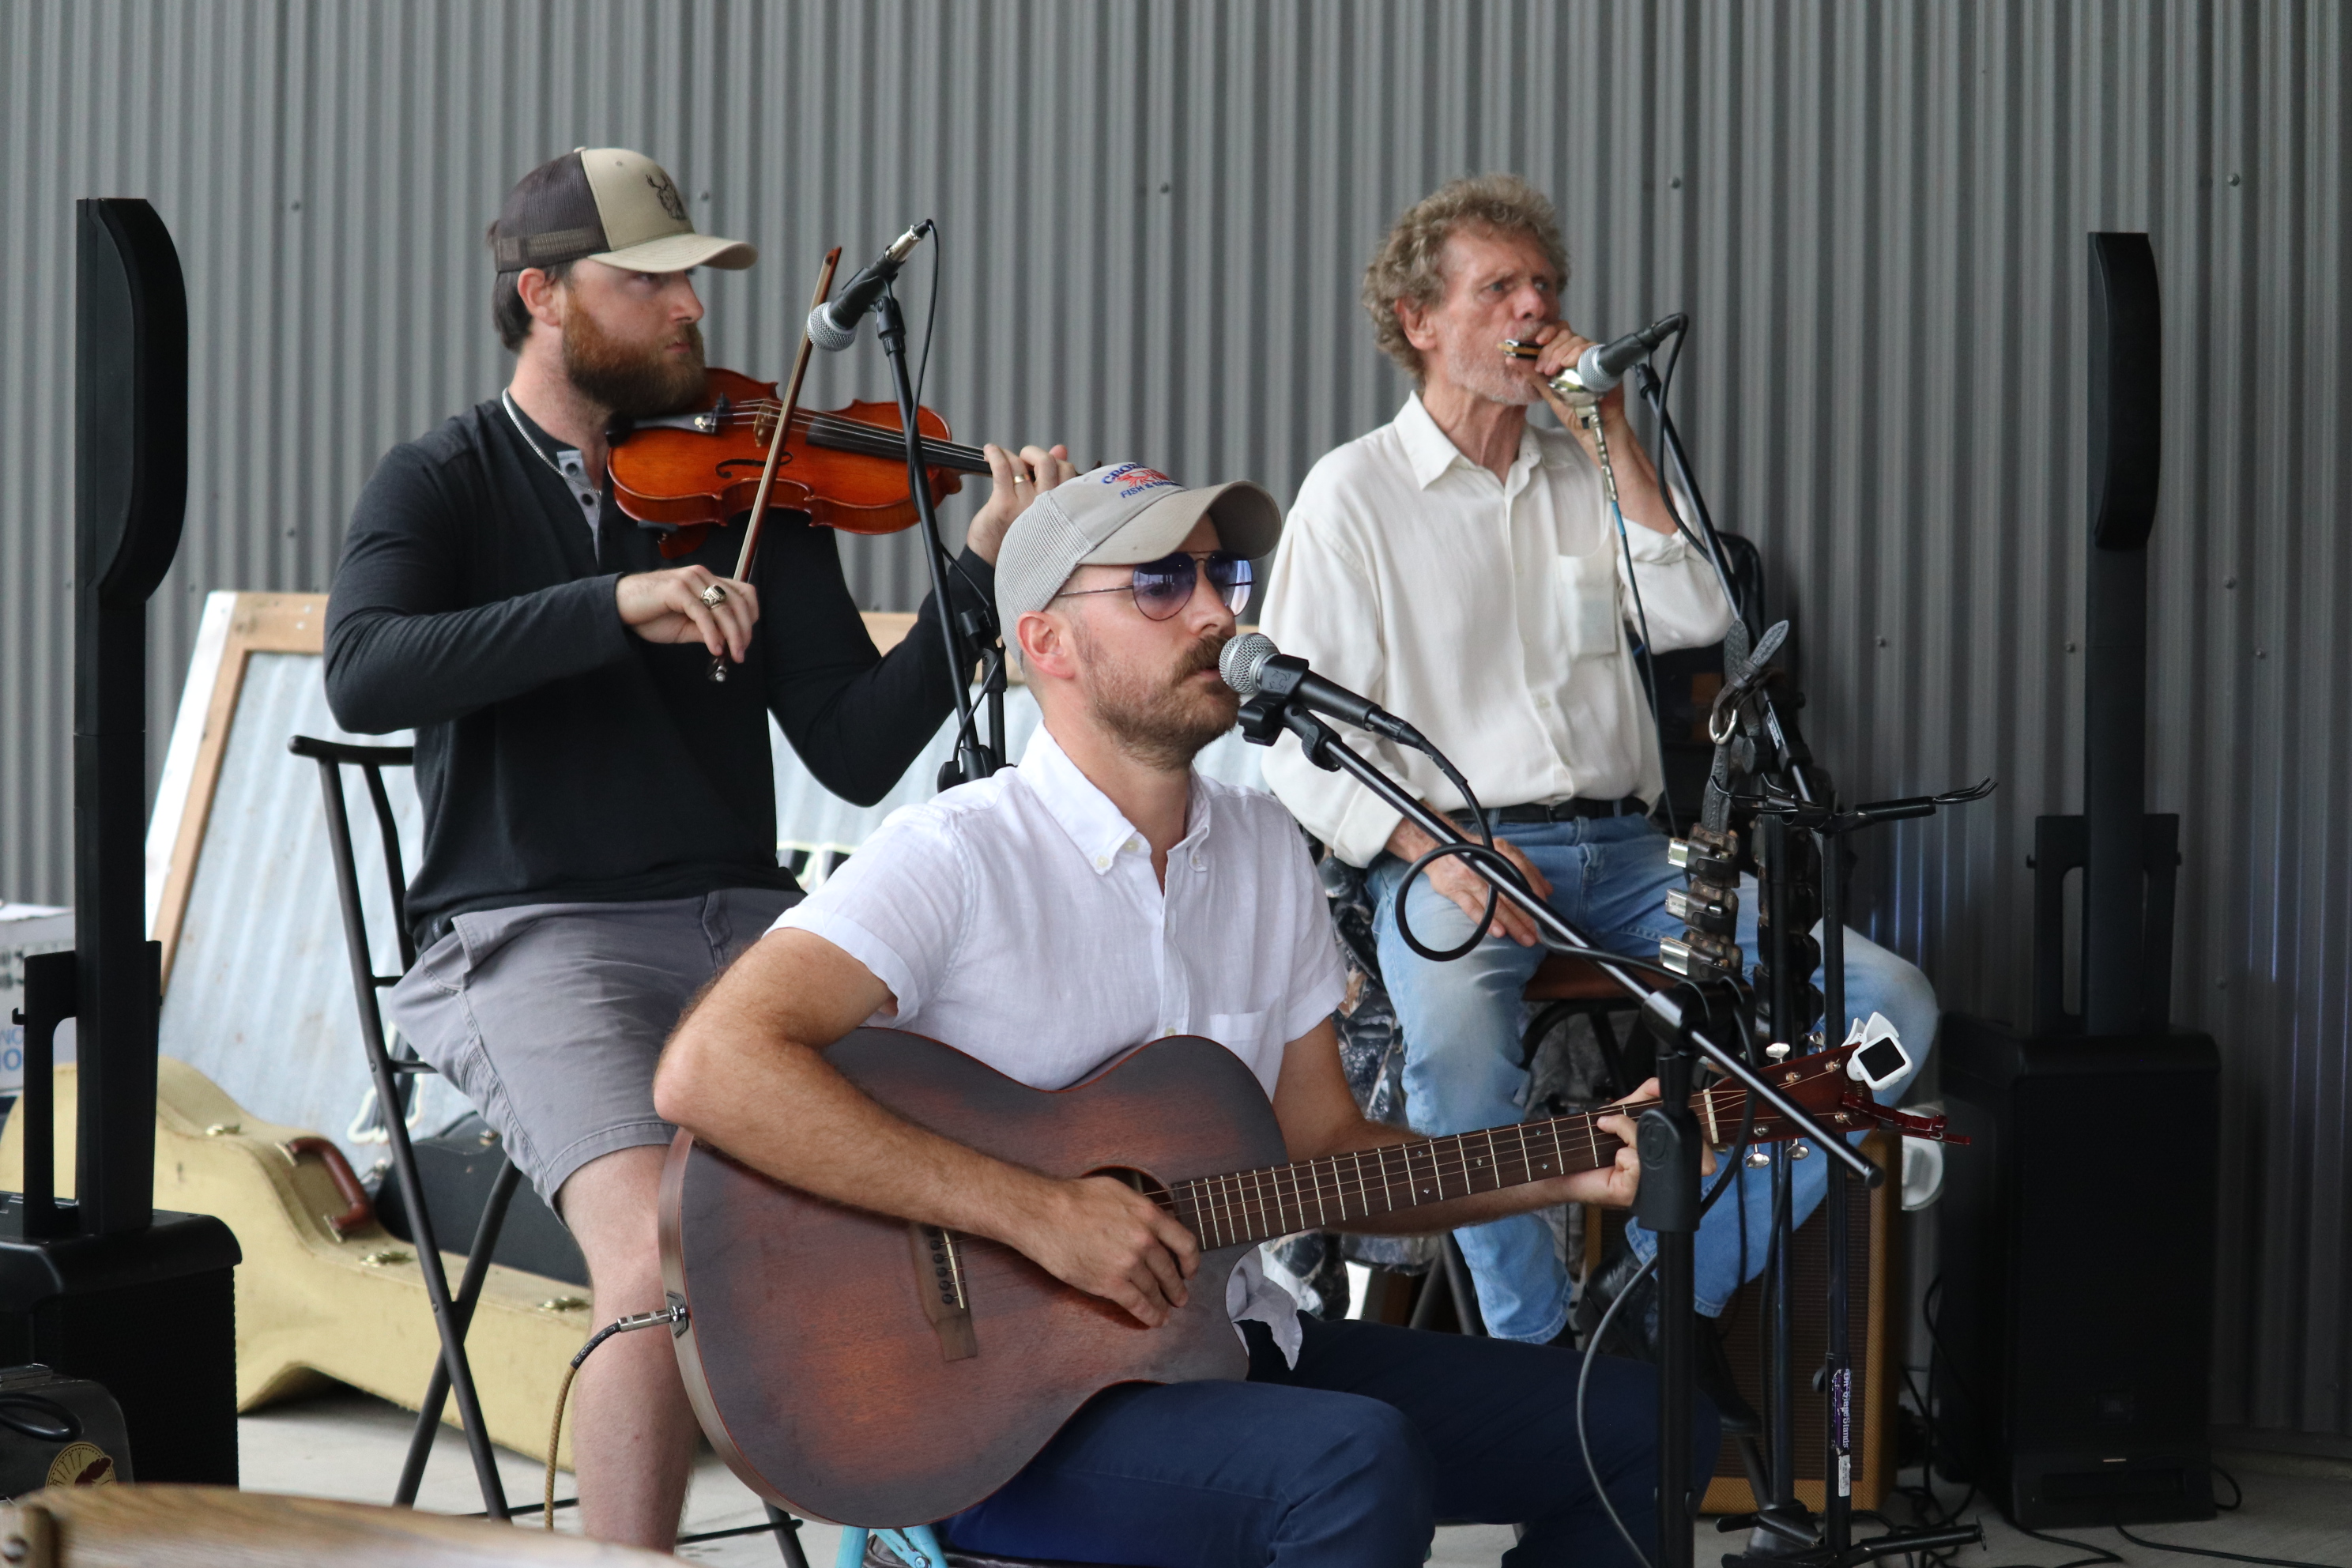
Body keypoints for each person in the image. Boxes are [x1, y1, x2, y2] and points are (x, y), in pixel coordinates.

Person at [654, 464, 1721, 1566]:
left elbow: (1327, 1148)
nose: (1217, 612)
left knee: (1647, 1427)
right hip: (992, 1423)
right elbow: (712, 1068)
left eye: (1227, 574)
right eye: (1161, 582)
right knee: (1352, 1464)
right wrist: (1035, 1214)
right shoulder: (959, 855)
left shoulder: (1264, 849)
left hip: (1228, 1346)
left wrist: (1569, 1165)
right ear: (1048, 644)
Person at [323, 146, 1072, 1548]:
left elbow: (853, 744)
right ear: (543, 294)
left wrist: (976, 575)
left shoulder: (750, 478)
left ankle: (916, 1525)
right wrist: (614, 602)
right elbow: (364, 675)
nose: (692, 315)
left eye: (698, 287)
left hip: (748, 930)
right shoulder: (440, 479)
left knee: (946, 1192)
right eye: (653, 282)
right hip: (534, 936)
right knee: (653, 1262)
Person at [1257, 175, 1938, 1392]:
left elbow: (1698, 615)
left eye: (1547, 288)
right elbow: (1282, 737)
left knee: (1891, 1007)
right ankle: (1534, 1365)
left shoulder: (1588, 474)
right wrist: (1427, 850)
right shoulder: (1352, 494)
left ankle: (1651, 1302)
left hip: (1629, 858)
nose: (1536, 311)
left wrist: (1610, 429)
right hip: (1453, 857)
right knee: (1455, 1067)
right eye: (1499, 289)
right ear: (1420, 319)